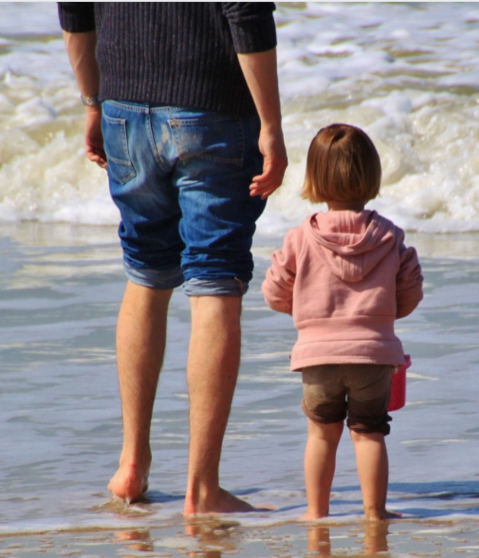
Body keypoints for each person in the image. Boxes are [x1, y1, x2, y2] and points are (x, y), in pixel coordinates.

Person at [57, 3, 288, 515]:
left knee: (145, 273)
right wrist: (270, 122)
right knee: (215, 281)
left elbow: (74, 9)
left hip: (123, 103)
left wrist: (93, 102)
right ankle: (203, 488)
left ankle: (131, 466)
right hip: (211, 105)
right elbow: (246, 10)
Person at [261, 124, 423, 520]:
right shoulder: (390, 237)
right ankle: (375, 513)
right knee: (369, 434)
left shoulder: (301, 237)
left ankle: (316, 512)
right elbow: (409, 294)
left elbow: (274, 291)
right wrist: (382, 317)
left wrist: (308, 315)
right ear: (372, 176)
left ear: (313, 178)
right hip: (373, 354)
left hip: (316, 356)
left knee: (321, 434)